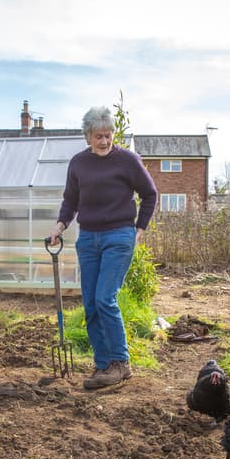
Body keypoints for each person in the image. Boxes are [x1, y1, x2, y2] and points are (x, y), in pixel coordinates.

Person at [47, 106, 158, 389]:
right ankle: (102, 365)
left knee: (105, 298)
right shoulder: (78, 164)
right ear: (88, 137)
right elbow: (70, 201)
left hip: (118, 237)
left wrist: (139, 229)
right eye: (99, 136)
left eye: (108, 135)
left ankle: (121, 363)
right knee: (90, 303)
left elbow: (150, 194)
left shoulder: (128, 161)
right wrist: (59, 227)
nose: (104, 141)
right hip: (88, 239)